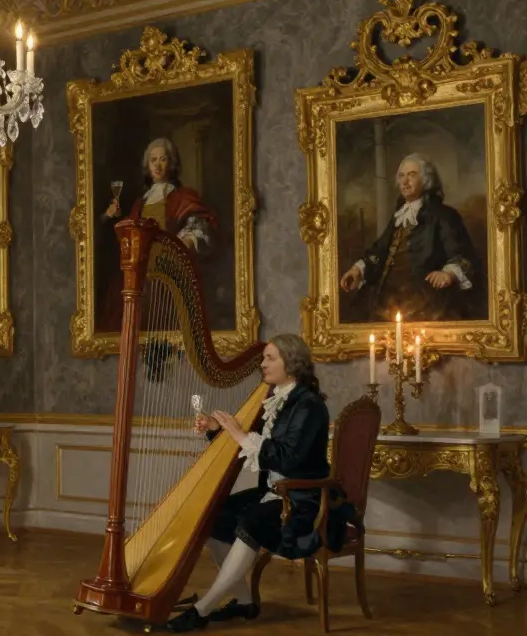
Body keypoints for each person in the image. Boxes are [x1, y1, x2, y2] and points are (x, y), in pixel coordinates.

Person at [164, 333, 351, 632]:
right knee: (211, 515)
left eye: (269, 358)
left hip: (307, 499)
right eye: (263, 357)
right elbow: (251, 445)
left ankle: (202, 609)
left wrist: (239, 433)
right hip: (276, 493)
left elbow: (287, 460)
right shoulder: (278, 400)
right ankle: (243, 600)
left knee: (254, 520)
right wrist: (217, 430)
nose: (262, 364)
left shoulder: (309, 406)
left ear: (290, 364)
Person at [339, 154, 479, 322]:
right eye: (401, 176)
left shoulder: (444, 215)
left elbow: (464, 256)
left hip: (425, 303)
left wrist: (448, 274)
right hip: (389, 301)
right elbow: (380, 251)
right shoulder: (400, 215)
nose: (405, 182)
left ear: (426, 180)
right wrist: (358, 269)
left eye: (412, 175)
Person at [99, 137, 217, 330]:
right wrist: (111, 217)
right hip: (142, 269)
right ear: (148, 165)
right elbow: (126, 238)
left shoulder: (182, 196)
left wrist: (182, 242)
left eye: (163, 159)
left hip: (168, 267)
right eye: (153, 160)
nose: (158, 165)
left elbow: (201, 225)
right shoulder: (140, 202)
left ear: (171, 164)